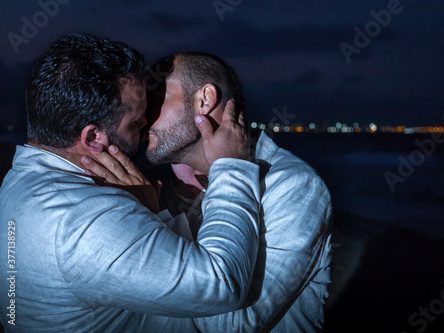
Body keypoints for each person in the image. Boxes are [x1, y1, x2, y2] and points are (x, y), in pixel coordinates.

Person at [0, 34, 262, 332]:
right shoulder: (88, 217)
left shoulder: (17, 181)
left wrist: (145, 220)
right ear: (92, 138)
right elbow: (223, 284)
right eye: (135, 124)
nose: (146, 129)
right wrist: (231, 165)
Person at [88, 52, 334, 332]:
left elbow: (228, 324)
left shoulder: (294, 187)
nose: (141, 118)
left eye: (154, 101)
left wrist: (153, 220)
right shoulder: (174, 188)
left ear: (204, 100)